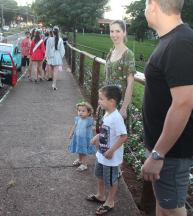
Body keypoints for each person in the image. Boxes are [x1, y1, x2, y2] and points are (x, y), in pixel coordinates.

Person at [140, 0, 193, 216]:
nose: (144, 10)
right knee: (164, 206)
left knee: (172, 211)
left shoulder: (181, 43)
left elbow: (183, 104)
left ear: (154, 6)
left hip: (171, 152)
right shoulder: (172, 40)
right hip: (164, 149)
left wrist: (158, 155)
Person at [100, 19, 136, 178]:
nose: (114, 35)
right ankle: (107, 166)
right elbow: (106, 80)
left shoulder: (128, 54)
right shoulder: (110, 53)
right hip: (107, 102)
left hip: (118, 103)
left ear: (124, 33)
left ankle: (117, 171)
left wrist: (123, 107)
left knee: (118, 136)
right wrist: (100, 102)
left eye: (117, 31)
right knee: (106, 134)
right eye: (112, 31)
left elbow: (130, 82)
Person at [87, 85, 127, 215]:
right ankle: (100, 195)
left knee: (111, 180)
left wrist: (113, 150)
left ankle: (110, 201)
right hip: (102, 154)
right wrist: (97, 136)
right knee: (99, 175)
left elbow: (123, 136)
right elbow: (107, 131)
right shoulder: (107, 114)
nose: (99, 101)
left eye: (101, 99)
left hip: (110, 157)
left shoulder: (117, 117)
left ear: (112, 101)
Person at [68, 102, 96, 171]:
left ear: (88, 112)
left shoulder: (90, 120)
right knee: (79, 149)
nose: (80, 112)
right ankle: (80, 160)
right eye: (79, 111)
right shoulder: (77, 119)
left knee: (84, 151)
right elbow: (75, 126)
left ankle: (84, 164)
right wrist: (71, 134)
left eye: (83, 111)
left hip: (85, 139)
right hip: (78, 137)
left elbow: (98, 125)